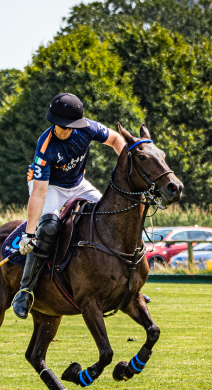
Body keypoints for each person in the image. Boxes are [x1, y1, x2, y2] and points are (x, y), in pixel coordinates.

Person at [11, 93, 126, 319]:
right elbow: (39, 193)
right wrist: (29, 233)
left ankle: (126, 283)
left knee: (110, 216)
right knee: (49, 228)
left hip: (78, 184)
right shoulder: (46, 147)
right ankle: (25, 291)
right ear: (54, 122)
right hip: (50, 187)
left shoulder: (88, 128)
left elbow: (115, 139)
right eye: (63, 126)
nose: (67, 130)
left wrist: (126, 163)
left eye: (71, 126)